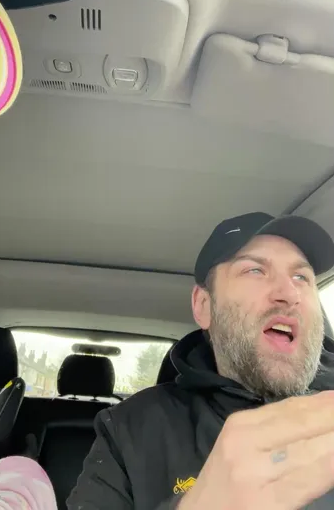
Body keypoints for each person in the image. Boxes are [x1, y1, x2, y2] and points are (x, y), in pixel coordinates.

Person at [67, 212, 334, 510]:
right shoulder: (129, 430)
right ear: (203, 305)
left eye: (301, 277)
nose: (289, 293)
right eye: (255, 270)